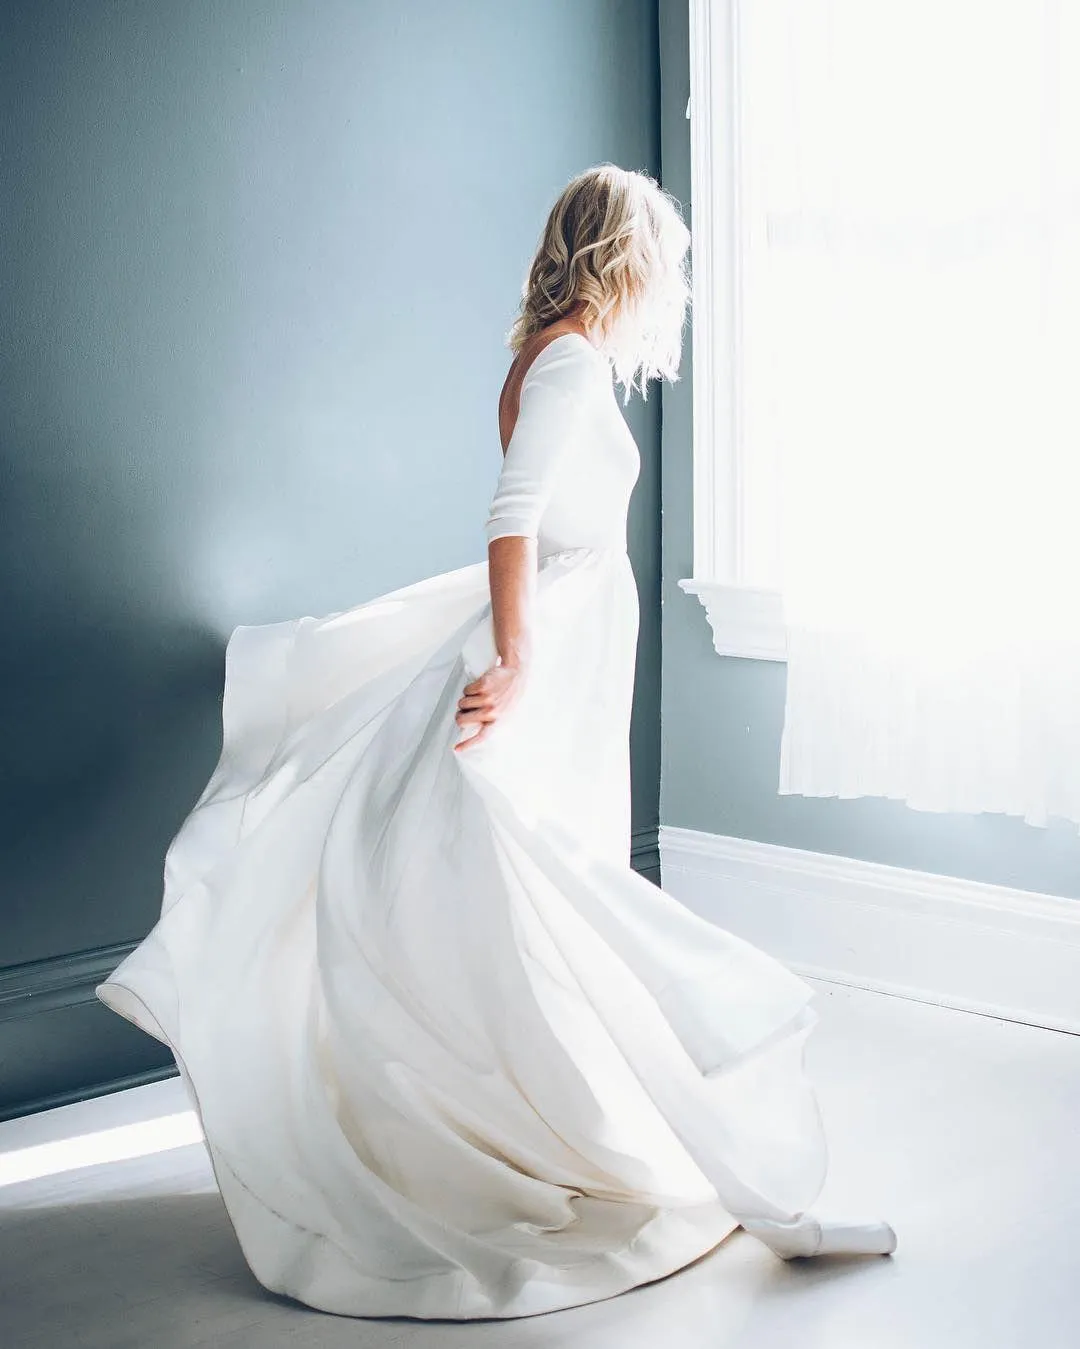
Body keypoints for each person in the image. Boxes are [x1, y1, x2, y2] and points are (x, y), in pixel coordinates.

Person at [96, 164, 895, 1321]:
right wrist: (514, 659)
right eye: (659, 261)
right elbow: (512, 516)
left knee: (551, 890)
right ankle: (718, 1145)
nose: (666, 284)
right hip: (551, 647)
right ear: (618, 254)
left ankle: (580, 1116)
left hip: (570, 646)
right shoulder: (568, 361)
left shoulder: (546, 355)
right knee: (556, 890)